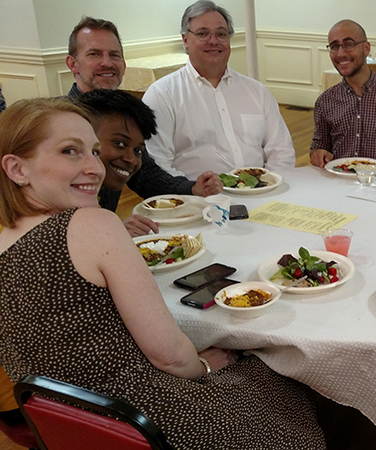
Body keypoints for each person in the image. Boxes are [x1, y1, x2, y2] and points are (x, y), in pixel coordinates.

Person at [0, 97, 326, 449]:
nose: (94, 168)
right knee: (274, 378)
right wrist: (202, 367)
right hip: (141, 421)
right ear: (17, 169)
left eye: (94, 151)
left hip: (65, 428)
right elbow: (169, 356)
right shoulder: (91, 224)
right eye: (70, 151)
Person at [66, 16, 222, 235]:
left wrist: (191, 188)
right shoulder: (57, 124)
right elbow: (45, 210)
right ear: (72, 64)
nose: (107, 63)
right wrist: (110, 230)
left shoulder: (122, 116)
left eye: (114, 55)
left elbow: (146, 176)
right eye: (94, 54)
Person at [143, 0, 295, 179]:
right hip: (198, 201)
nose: (213, 41)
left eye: (221, 34)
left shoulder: (257, 92)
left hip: (261, 194)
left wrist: (268, 186)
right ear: (185, 40)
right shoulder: (162, 95)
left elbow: (282, 151)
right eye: (203, 34)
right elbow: (157, 162)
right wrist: (193, 192)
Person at [310, 20, 376, 169]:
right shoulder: (325, 101)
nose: (341, 54)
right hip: (339, 182)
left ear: (366, 48)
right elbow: (318, 146)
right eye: (335, 46)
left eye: (349, 44)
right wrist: (318, 154)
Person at [75, 89, 166, 237]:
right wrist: (113, 234)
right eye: (119, 143)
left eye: (138, 150)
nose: (131, 159)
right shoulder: (61, 201)